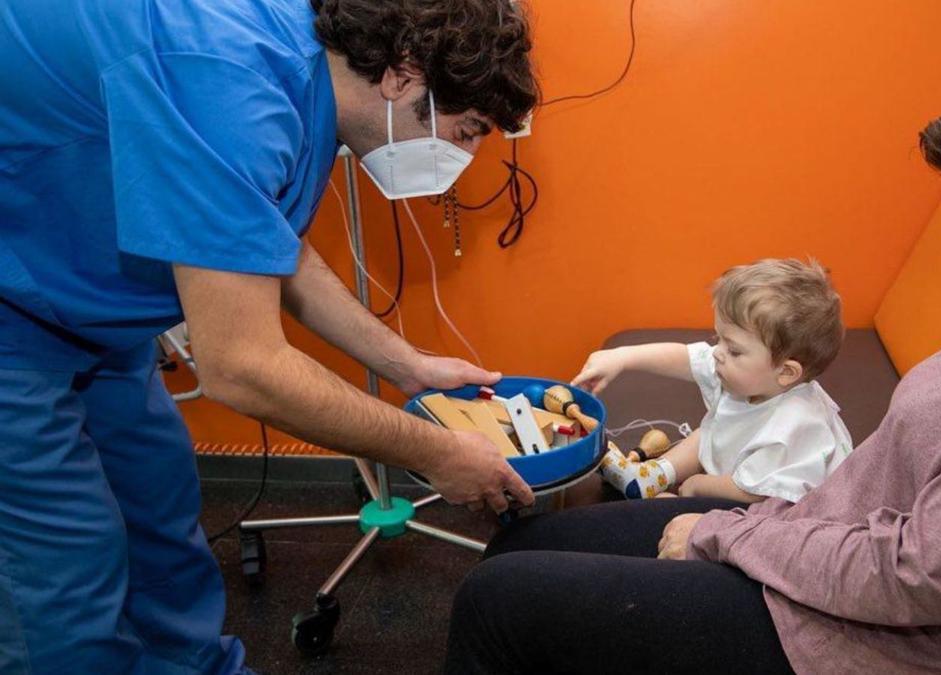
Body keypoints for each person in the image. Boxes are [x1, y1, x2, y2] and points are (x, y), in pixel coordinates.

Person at [443, 30, 941, 674]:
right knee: (524, 538)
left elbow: (927, 578)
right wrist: (757, 529)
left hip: (880, 638)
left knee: (496, 604)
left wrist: (723, 531)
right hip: (815, 542)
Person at [0, 0, 538, 672]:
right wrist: (434, 452)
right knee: (63, 570)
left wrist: (407, 365)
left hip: (85, 302)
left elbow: (267, 242)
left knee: (160, 514)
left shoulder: (302, 71)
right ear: (403, 75)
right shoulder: (236, 83)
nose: (460, 157)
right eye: (465, 130)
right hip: (16, 310)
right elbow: (243, 366)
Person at [577, 258, 852, 502]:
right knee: (713, 428)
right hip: (748, 470)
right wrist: (621, 358)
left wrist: (697, 486)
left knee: (680, 508)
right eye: (717, 338)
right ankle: (654, 475)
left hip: (769, 501)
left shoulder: (793, 429)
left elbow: (754, 493)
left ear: (786, 372)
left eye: (733, 349)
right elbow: (686, 358)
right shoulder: (747, 374)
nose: (718, 353)